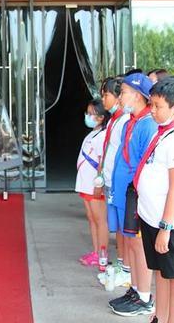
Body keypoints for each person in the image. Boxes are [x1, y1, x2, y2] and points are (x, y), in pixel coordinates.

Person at [137, 76, 174, 323]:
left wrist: (166, 228)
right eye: (151, 105)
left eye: (158, 106)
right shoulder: (162, 133)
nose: (152, 110)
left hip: (166, 222)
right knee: (160, 271)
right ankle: (159, 317)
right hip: (150, 216)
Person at [108, 73, 158, 317]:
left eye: (125, 92)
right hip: (124, 192)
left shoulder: (148, 124)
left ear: (138, 96)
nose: (121, 96)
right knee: (130, 242)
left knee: (138, 245)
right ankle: (136, 290)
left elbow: (147, 163)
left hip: (136, 194)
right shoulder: (131, 122)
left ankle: (145, 297)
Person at [99, 77, 132, 285]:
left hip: (120, 183)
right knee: (118, 228)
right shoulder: (113, 119)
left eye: (106, 94)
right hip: (110, 179)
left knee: (125, 229)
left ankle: (127, 270)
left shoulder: (126, 120)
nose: (103, 99)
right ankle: (121, 264)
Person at [76, 99, 110, 266]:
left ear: (102, 117)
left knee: (99, 220)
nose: (88, 117)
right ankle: (95, 251)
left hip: (94, 186)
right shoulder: (93, 133)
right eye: (87, 113)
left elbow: (101, 162)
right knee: (91, 218)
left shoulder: (103, 135)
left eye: (92, 114)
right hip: (85, 183)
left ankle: (102, 253)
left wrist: (99, 184)